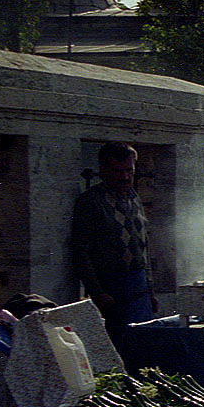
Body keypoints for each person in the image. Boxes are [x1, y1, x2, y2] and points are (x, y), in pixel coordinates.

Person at [72, 142, 156, 340]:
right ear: (103, 170)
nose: (125, 177)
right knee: (122, 344)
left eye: (129, 170)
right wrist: (97, 292)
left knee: (144, 341)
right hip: (113, 290)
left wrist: (150, 290)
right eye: (118, 171)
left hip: (139, 288)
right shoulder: (91, 201)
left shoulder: (134, 197)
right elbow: (80, 251)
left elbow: (143, 246)